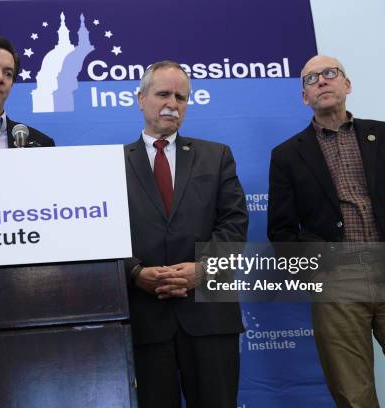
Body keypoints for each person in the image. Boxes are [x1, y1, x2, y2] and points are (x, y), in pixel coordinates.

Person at [268, 55, 385, 407]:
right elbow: (282, 232)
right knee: (353, 396)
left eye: (329, 74)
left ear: (347, 85)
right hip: (337, 283)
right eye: (310, 79)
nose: (321, 81)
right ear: (305, 97)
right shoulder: (287, 155)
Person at [124, 61, 248, 408]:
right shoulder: (111, 164)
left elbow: (234, 225)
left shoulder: (217, 156)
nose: (172, 103)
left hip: (210, 318)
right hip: (146, 321)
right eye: (163, 93)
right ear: (141, 98)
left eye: (181, 97)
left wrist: (202, 269)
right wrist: (135, 273)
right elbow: (104, 237)